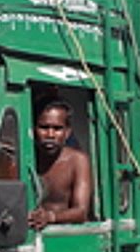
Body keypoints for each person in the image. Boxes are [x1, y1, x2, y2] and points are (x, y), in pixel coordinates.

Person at [29, 98, 92, 229]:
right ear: (33, 128)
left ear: (67, 132)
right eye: (44, 127)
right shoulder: (26, 157)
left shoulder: (77, 160)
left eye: (57, 128)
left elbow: (81, 212)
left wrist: (50, 217)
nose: (50, 134)